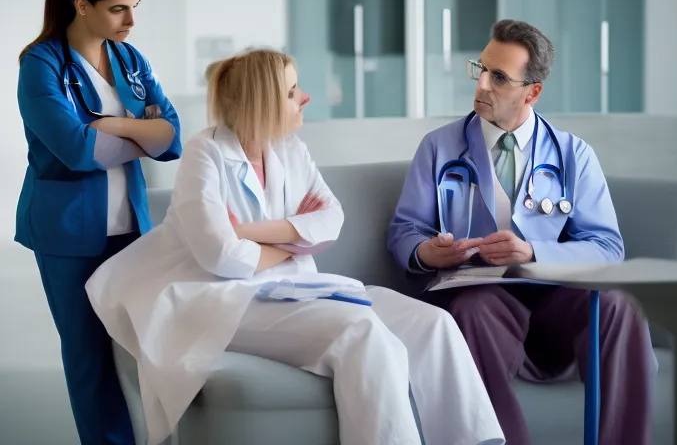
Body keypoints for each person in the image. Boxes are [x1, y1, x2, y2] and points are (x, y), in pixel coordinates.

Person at [85, 49, 506, 445]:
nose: (304, 97)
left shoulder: (289, 149)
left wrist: (250, 231)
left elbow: (331, 222)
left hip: (294, 289)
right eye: (291, 92)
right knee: (360, 333)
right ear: (261, 101)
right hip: (223, 299)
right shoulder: (205, 154)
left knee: (434, 325)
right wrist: (294, 244)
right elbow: (222, 258)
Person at [387, 19, 654, 445]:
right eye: (482, 69)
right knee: (474, 308)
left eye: (499, 77)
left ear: (532, 92)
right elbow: (405, 231)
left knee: (619, 306)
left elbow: (607, 248)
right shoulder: (438, 147)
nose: (483, 86)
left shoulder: (573, 154)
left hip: (556, 304)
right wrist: (427, 252)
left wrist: (531, 251)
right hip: (482, 301)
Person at [15, 0, 182, 445]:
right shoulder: (41, 64)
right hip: (67, 233)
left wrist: (107, 127)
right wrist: (139, 136)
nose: (131, 20)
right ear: (83, 4)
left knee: (145, 348)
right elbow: (75, 150)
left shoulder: (129, 58)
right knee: (89, 358)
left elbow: (172, 136)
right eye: (118, 8)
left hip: (132, 228)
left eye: (136, 7)